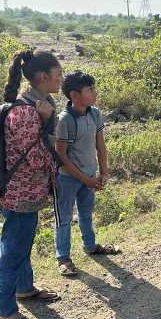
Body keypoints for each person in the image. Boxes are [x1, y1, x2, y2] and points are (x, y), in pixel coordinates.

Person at [0, 49, 63, 319]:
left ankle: (24, 288)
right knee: (12, 250)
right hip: (20, 193)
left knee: (23, 242)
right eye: (58, 74)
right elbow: (34, 157)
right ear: (43, 77)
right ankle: (5, 311)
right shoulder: (24, 112)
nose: (61, 79)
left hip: (31, 191)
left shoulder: (41, 104)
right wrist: (47, 124)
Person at [53, 70, 119, 277]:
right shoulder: (64, 120)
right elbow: (61, 155)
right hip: (67, 179)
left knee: (86, 213)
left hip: (89, 176)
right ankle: (63, 258)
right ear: (74, 95)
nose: (94, 93)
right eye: (89, 90)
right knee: (64, 218)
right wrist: (85, 179)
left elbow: (100, 145)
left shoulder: (94, 113)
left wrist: (104, 172)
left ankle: (90, 246)